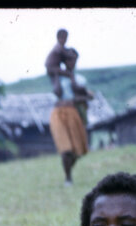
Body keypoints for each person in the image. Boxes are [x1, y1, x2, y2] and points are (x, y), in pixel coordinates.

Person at [48, 47, 89, 185]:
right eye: (68, 59)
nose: (71, 62)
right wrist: (57, 75)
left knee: (77, 150)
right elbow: (57, 92)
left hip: (73, 112)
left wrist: (73, 81)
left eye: (73, 59)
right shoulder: (57, 77)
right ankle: (68, 178)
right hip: (58, 113)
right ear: (64, 61)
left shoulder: (80, 79)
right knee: (65, 148)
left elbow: (83, 96)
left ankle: (68, 171)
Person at [44, 28, 75, 100]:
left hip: (53, 67)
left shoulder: (61, 47)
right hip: (53, 67)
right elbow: (63, 53)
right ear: (58, 38)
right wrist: (71, 55)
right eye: (63, 38)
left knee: (56, 80)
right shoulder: (58, 46)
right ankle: (74, 88)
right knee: (70, 75)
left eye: (66, 38)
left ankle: (59, 92)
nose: (65, 40)